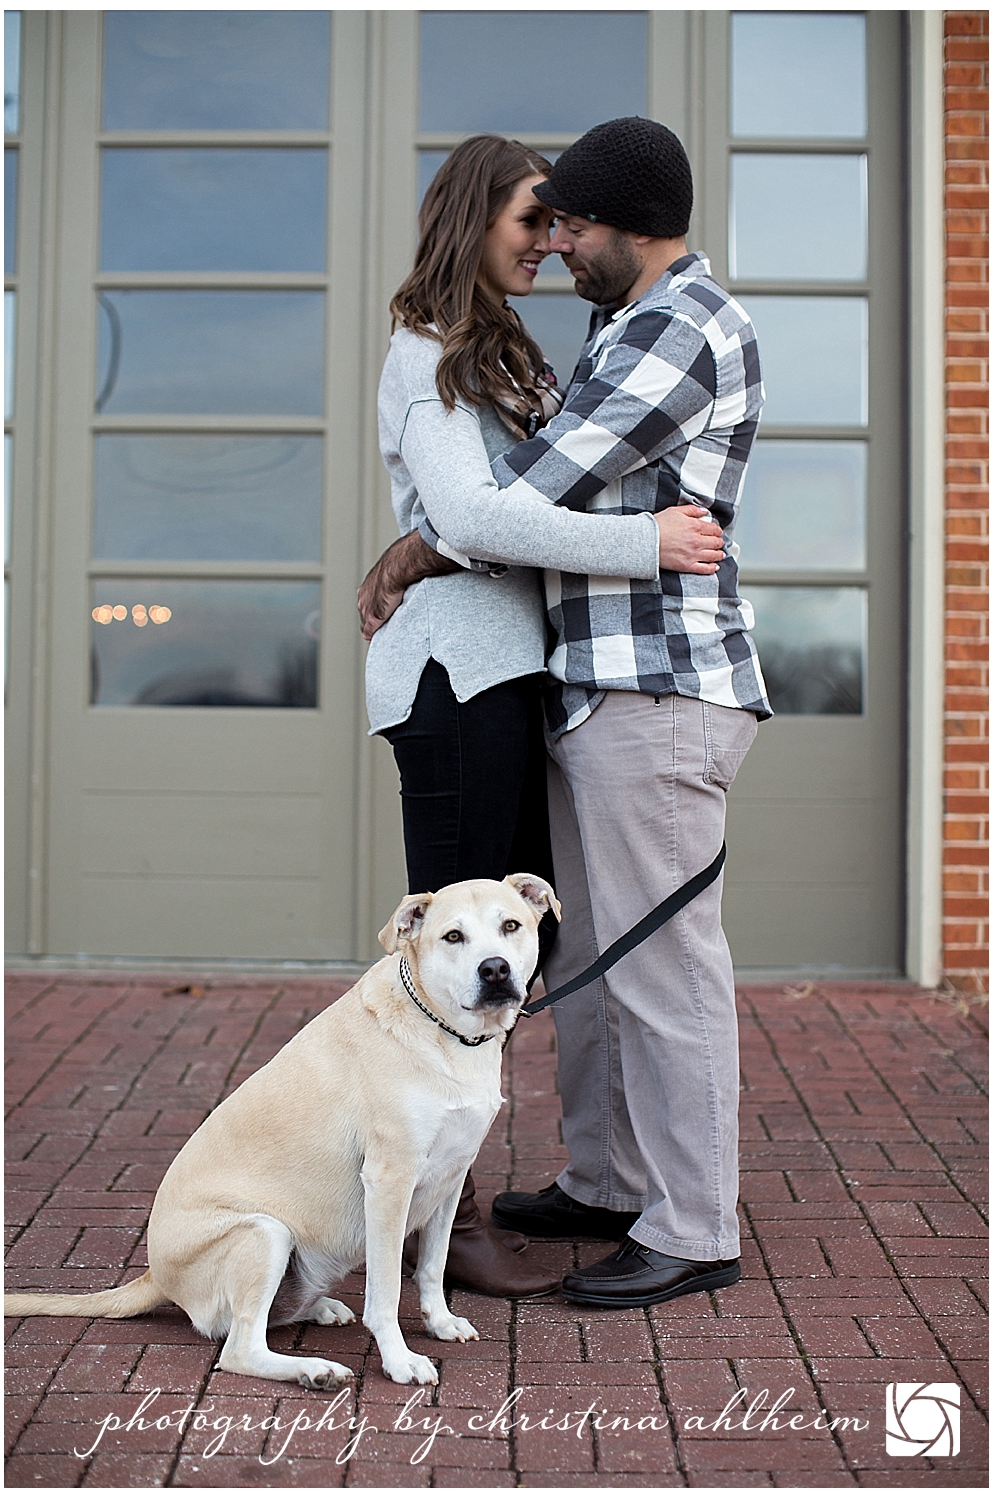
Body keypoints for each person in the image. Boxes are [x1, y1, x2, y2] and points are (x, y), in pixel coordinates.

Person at [361, 117, 770, 1309]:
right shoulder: (587, 332)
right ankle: (605, 1178)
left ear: (624, 222)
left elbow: (527, 491)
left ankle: (690, 1227)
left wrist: (418, 542)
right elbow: (501, 501)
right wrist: (442, 534)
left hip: (657, 682)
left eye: (570, 221)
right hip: (587, 684)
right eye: (536, 220)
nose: (557, 242)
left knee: (663, 968)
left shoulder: (675, 327)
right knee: (587, 958)